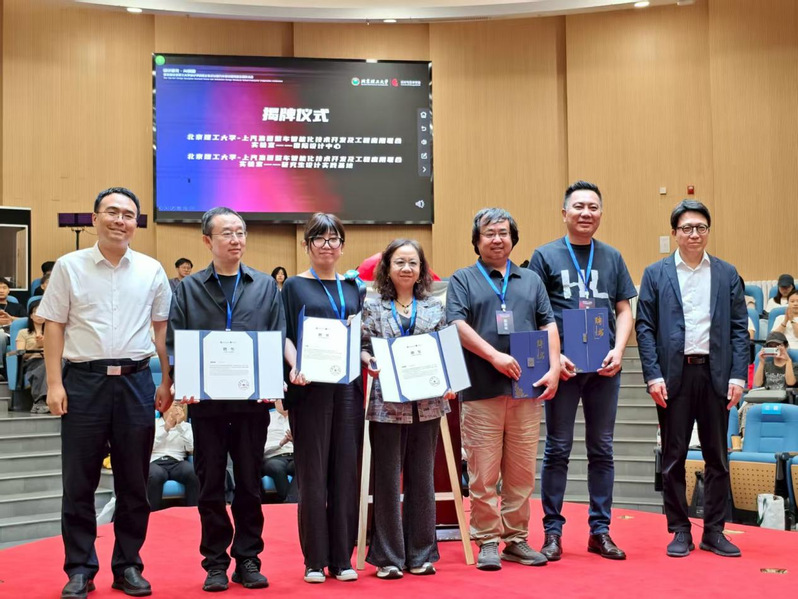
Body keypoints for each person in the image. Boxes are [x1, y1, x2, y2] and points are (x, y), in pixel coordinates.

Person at [38, 187, 172, 599]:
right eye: (112, 212)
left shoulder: (151, 269)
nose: (120, 220)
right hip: (84, 382)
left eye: (128, 214)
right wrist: (55, 383)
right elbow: (54, 325)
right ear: (95, 218)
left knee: (134, 482)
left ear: (136, 223)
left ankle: (128, 565)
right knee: (78, 482)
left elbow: (162, 330)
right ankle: (80, 568)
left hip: (136, 383)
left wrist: (167, 380)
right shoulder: (69, 266)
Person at [168, 206, 284, 592]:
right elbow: (176, 341)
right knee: (210, 484)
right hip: (207, 406)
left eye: (240, 232)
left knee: (250, 484)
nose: (236, 240)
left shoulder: (265, 285)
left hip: (252, 405)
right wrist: (182, 384)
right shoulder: (188, 288)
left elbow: (275, 335)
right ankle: (215, 561)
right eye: (227, 233)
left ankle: (248, 558)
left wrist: (273, 383)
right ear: (207, 240)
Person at [446, 208, 560, 571]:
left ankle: (516, 539)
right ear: (477, 241)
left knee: (521, 472)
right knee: (483, 473)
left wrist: (555, 367)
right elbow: (456, 324)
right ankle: (487, 540)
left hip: (526, 390)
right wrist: (494, 356)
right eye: (489, 233)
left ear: (513, 238)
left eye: (503, 233)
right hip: (481, 389)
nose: (497, 239)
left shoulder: (531, 280)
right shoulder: (463, 279)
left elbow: (548, 324)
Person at [529, 181, 637, 561]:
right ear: (564, 213)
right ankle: (552, 533)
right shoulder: (544, 256)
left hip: (604, 368)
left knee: (602, 448)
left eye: (593, 207)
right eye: (578, 206)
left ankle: (600, 531)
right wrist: (554, 358)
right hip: (564, 369)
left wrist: (619, 350)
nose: (586, 213)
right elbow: (534, 313)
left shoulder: (612, 257)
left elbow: (624, 309)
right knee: (557, 448)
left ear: (601, 213)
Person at [636, 199, 748, 559]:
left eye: (701, 227)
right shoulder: (656, 274)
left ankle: (714, 531)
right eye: (687, 228)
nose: (694, 234)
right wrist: (652, 375)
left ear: (708, 232)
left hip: (716, 375)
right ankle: (680, 529)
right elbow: (645, 327)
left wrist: (738, 376)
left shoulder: (726, 273)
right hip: (674, 376)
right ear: (674, 233)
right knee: (673, 457)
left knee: (718, 457)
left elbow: (739, 329)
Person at [360, 239, 453, 579]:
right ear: (387, 268)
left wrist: (451, 379)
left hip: (427, 403)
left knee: (422, 478)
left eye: (413, 262)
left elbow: (446, 348)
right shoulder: (373, 307)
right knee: (387, 479)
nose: (406, 268)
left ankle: (421, 554)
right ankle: (388, 557)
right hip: (387, 403)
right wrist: (368, 360)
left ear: (421, 270)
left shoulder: (434, 307)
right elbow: (363, 346)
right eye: (399, 262)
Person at [281, 212, 364, 584]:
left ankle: (342, 558)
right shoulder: (294, 286)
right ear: (307, 245)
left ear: (342, 246)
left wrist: (366, 357)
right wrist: (295, 364)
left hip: (347, 388)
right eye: (320, 238)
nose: (327, 245)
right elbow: (284, 334)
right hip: (309, 388)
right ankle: (314, 560)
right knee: (313, 475)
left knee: (346, 472)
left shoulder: (353, 287)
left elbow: (359, 336)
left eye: (334, 239)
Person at [742, 331, 797, 435]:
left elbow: (791, 382)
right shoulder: (766, 365)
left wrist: (788, 361)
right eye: (771, 346)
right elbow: (757, 383)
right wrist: (762, 362)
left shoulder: (793, 365)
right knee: (748, 407)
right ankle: (746, 437)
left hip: (784, 400)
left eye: (778, 346)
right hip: (765, 399)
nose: (774, 348)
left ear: (785, 346)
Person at [147, 404, 199, 511]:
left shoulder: (186, 426)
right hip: (156, 462)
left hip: (177, 462)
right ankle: (152, 515)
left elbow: (192, 448)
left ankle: (193, 513)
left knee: (194, 473)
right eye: (174, 405)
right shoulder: (153, 424)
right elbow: (148, 446)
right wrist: (166, 428)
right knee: (155, 476)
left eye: (180, 406)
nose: (178, 408)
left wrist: (180, 426)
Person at [15, 299, 49, 414]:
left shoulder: (53, 333)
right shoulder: (23, 332)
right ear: (31, 315)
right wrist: (37, 347)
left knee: (59, 363)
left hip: (52, 360)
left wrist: (46, 346)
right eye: (37, 312)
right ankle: (40, 401)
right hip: (32, 362)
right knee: (45, 365)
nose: (40, 315)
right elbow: (21, 354)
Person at [261, 399, 297, 503]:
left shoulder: (298, 418)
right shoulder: (267, 418)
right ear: (275, 401)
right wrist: (281, 443)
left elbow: (308, 447)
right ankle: (290, 501)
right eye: (280, 400)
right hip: (274, 457)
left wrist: (295, 441)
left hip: (294, 455)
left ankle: (289, 500)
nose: (284, 403)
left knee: (302, 466)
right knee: (277, 468)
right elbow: (262, 448)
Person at [0, 277, 25, 377]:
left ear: (9, 290)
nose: (1, 290)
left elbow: (27, 320)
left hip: (12, 334)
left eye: (4, 287)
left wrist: (11, 319)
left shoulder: (17, 306)